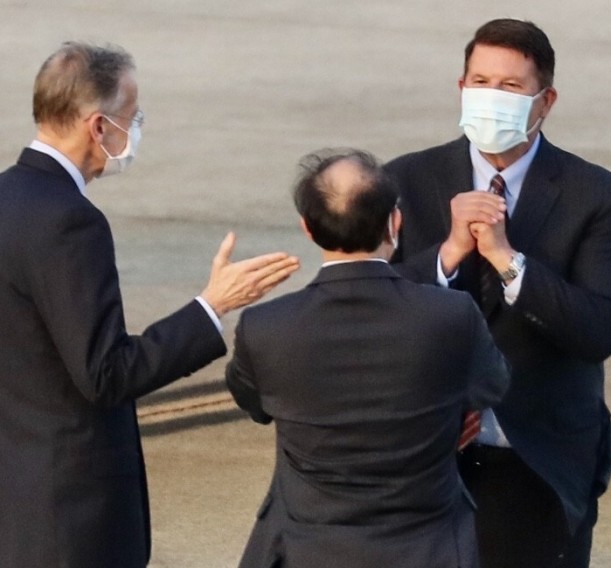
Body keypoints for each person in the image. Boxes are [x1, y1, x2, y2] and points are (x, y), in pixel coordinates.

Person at [0, 41, 300, 568]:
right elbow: (106, 374)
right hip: (69, 522)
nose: (135, 129)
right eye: (130, 116)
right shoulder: (71, 222)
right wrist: (212, 306)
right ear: (97, 127)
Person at [386, 18, 611, 568]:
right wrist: (448, 255)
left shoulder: (597, 197)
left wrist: (509, 261)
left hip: (533, 463)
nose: (490, 98)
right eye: (479, 82)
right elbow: (373, 305)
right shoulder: (405, 180)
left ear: (545, 101)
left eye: (510, 88)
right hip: (421, 463)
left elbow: (599, 329)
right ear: (460, 88)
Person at [225, 148, 509, 568]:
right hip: (428, 548)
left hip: (307, 548)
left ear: (308, 228)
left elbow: (254, 403)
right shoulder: (451, 316)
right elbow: (491, 385)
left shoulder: (266, 327)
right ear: (395, 222)